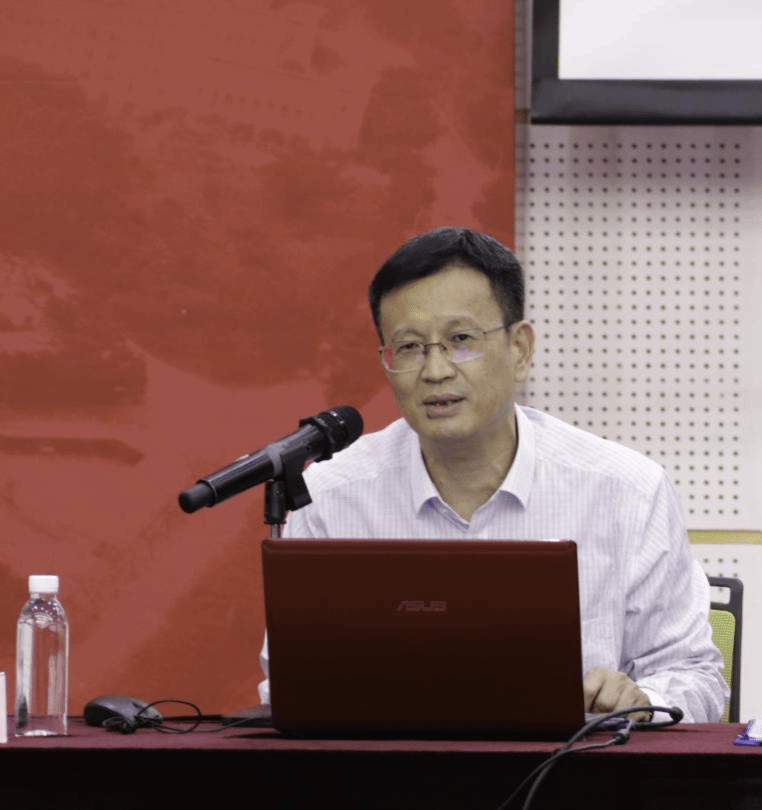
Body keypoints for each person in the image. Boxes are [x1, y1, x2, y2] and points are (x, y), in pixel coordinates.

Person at [258, 226, 728, 723]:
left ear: (520, 349)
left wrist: (641, 700)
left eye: (460, 340)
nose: (435, 370)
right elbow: (290, 687)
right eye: (410, 347)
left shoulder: (626, 491)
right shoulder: (330, 495)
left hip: (569, 767)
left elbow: (696, 676)